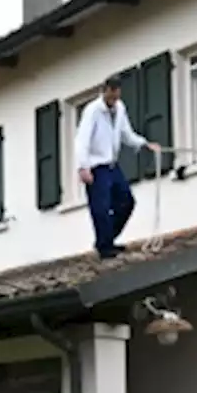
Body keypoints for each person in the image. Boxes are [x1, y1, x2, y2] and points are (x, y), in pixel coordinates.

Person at [74, 75, 161, 259]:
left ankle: (106, 239)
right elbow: (82, 140)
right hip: (96, 166)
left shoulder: (120, 108)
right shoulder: (92, 111)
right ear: (104, 91)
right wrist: (83, 167)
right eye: (111, 96)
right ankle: (105, 247)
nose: (114, 100)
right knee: (101, 207)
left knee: (126, 201)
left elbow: (126, 134)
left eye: (117, 95)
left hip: (112, 165)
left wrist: (145, 144)